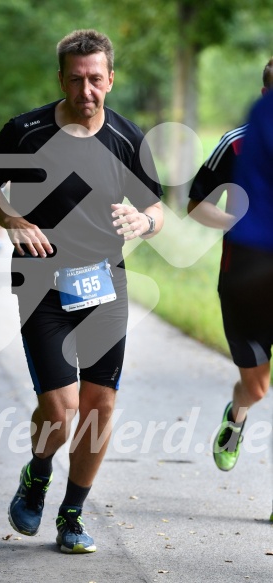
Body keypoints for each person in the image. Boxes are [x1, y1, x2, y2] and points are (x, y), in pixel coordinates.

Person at [0, 29, 163, 553]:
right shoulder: (25, 131)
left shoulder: (127, 138)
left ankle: (72, 514)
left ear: (111, 79)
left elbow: (156, 209)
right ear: (61, 78)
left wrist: (141, 222)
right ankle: (37, 473)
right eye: (76, 80)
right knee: (60, 409)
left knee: (99, 406)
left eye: (96, 79)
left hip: (105, 281)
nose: (87, 91)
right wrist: (10, 219)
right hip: (40, 281)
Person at [188, 59, 273, 518]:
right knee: (257, 389)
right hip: (246, 283)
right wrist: (236, 222)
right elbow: (195, 204)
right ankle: (236, 416)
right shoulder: (237, 144)